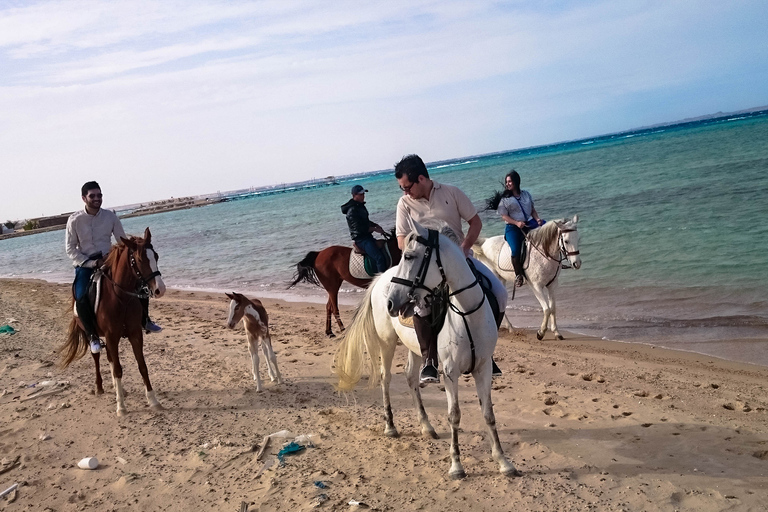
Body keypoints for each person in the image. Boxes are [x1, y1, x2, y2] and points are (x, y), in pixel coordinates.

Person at [394, 154, 505, 384]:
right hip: (428, 267)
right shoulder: (404, 204)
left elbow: (475, 223)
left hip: (460, 260)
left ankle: (488, 351)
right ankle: (429, 360)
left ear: (421, 178)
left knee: (499, 293)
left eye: (407, 187)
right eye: (402, 188)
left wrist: (464, 248)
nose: (405, 192)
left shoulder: (452, 192)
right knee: (422, 306)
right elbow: (401, 241)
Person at [65, 181, 161, 355]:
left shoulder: (110, 217)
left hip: (108, 259)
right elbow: (70, 249)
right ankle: (92, 335)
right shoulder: (74, 220)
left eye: (99, 195)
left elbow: (121, 241)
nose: (97, 198)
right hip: (85, 264)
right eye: (92, 196)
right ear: (84, 198)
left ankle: (145, 319)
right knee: (80, 296)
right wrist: (91, 263)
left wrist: (135, 248)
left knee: (140, 283)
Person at [496, 170, 544, 287]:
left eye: (509, 181)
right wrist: (516, 223)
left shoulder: (526, 194)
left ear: (516, 182)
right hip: (513, 228)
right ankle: (518, 275)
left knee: (547, 233)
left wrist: (537, 219)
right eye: (506, 182)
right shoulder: (505, 199)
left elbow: (532, 210)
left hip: (528, 224)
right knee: (515, 249)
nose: (507, 184)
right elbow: (504, 216)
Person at [341, 184, 388, 274]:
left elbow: (364, 221)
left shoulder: (360, 206)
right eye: (361, 194)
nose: (363, 196)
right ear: (354, 195)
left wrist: (375, 225)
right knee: (379, 258)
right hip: (361, 240)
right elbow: (359, 229)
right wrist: (374, 229)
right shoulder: (352, 210)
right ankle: (380, 278)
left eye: (363, 194)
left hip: (367, 237)